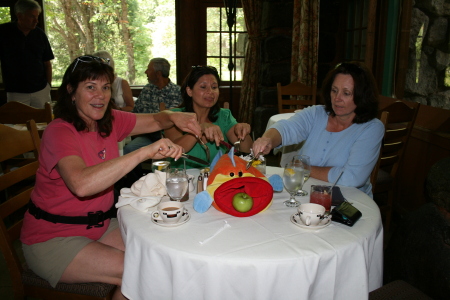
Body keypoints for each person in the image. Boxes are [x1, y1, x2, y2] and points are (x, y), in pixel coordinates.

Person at [19, 55, 201, 300]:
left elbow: (156, 119)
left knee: (163, 253)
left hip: (99, 226)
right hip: (53, 239)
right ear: (72, 91)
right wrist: (143, 152)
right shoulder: (59, 131)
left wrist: (174, 117)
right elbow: (81, 184)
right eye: (90, 87)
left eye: (105, 87)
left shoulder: (108, 121)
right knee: (143, 270)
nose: (101, 95)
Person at [252, 62, 384, 196]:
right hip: (308, 193)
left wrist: (304, 167)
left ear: (362, 95)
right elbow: (286, 128)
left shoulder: (371, 128)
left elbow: (352, 177)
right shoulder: (316, 114)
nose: (337, 98)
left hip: (349, 201)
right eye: (334, 90)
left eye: (346, 93)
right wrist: (268, 139)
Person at [164, 65, 252, 169]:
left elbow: (247, 150)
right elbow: (174, 149)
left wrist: (243, 132)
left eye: (214, 87)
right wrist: (199, 130)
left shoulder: (223, 116)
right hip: (180, 179)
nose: (210, 92)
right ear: (189, 91)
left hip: (215, 179)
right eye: (203, 87)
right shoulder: (175, 116)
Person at [0, 0, 54, 108]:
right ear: (20, 16)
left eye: (37, 16)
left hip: (41, 90)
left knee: (44, 123)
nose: (36, 21)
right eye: (32, 17)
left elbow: (47, 63)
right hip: (15, 92)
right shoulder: (3, 32)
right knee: (16, 123)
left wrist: (48, 85)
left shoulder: (40, 34)